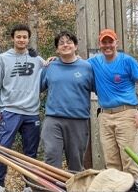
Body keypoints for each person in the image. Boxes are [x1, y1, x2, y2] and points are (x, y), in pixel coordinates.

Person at [88, 28, 138, 178]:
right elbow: (73, 63)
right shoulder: (94, 62)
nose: (107, 45)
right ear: (100, 44)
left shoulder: (127, 61)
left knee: (131, 162)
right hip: (105, 116)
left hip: (126, 114)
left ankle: (136, 187)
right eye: (104, 42)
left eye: (110, 41)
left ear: (117, 43)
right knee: (111, 164)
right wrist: (53, 61)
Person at [0, 24, 45, 192]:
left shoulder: (37, 59)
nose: (21, 40)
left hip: (31, 112)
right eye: (18, 37)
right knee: (4, 148)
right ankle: (0, 183)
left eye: (24, 37)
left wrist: (51, 60)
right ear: (12, 38)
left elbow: (50, 67)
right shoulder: (2, 59)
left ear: (29, 39)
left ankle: (29, 184)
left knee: (31, 151)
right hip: (10, 110)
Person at [40, 31, 95, 172]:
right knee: (51, 156)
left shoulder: (87, 67)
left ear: (76, 46)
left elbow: (99, 89)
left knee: (76, 162)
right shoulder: (50, 67)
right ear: (57, 49)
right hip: (53, 119)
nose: (65, 45)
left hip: (78, 120)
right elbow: (37, 88)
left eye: (69, 42)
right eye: (61, 43)